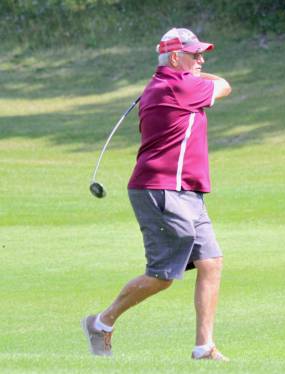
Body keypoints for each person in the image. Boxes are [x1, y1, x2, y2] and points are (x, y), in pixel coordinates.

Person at [81, 27, 232, 361]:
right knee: (163, 276)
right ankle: (101, 323)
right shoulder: (178, 86)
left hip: (187, 191)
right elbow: (224, 85)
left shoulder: (172, 83)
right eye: (195, 55)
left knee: (211, 263)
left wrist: (186, 69)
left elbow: (212, 81)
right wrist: (192, 73)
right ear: (176, 58)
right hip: (160, 189)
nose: (201, 59)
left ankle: (204, 347)